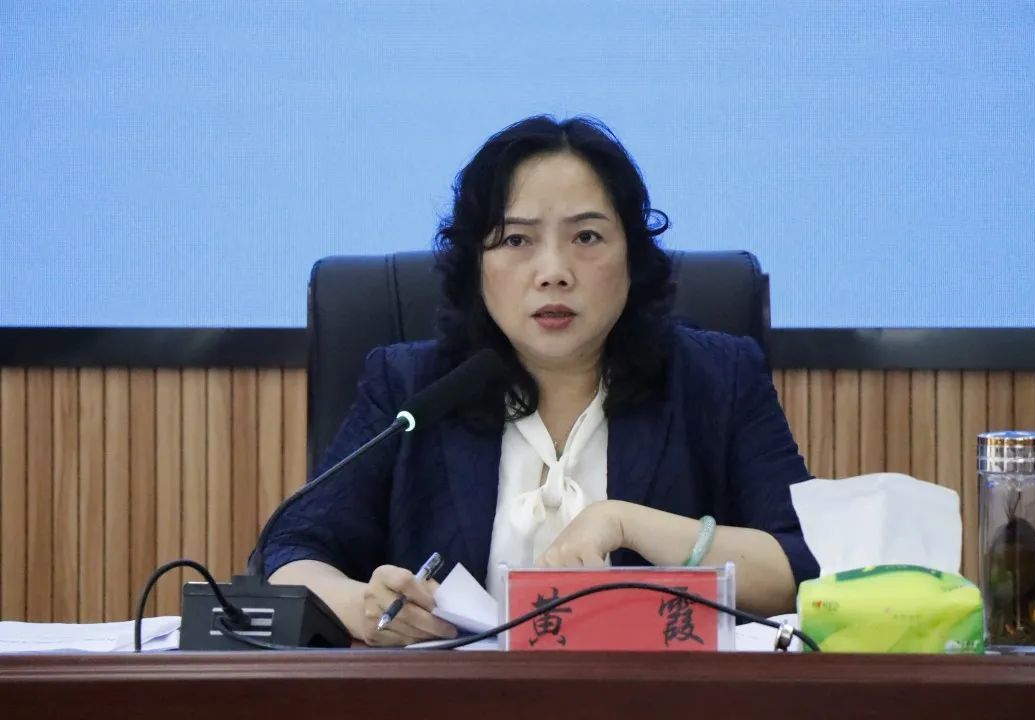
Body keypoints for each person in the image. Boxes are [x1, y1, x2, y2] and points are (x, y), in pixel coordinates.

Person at [264, 115, 818, 647]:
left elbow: (808, 567)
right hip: (452, 698)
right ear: (475, 263)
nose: (554, 271)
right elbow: (290, 553)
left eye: (587, 237)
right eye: (516, 240)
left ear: (632, 254)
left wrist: (625, 523)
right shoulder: (412, 388)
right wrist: (361, 605)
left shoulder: (715, 379)